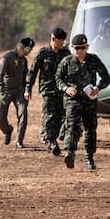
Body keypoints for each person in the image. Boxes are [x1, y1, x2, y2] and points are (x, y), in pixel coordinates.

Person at [55, 34, 110, 171]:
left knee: (90, 129)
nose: (79, 51)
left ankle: (89, 157)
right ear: (72, 48)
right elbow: (58, 78)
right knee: (72, 126)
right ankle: (70, 153)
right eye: (77, 48)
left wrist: (98, 87)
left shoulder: (93, 60)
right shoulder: (67, 61)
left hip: (89, 101)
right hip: (72, 101)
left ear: (87, 47)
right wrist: (66, 88)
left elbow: (106, 77)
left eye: (82, 48)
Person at [26, 27, 69, 156]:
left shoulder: (66, 53)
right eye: (60, 41)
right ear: (53, 39)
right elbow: (32, 72)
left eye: (63, 41)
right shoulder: (42, 53)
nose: (62, 43)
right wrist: (28, 88)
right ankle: (51, 142)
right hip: (47, 90)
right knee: (49, 115)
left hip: (62, 90)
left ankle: (52, 138)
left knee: (61, 115)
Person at [0, 37, 35, 148]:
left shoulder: (24, 61)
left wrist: (27, 90)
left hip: (19, 91)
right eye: (29, 49)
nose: (29, 52)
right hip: (5, 90)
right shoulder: (7, 57)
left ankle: (19, 141)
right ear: (23, 48)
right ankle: (7, 130)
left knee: (23, 115)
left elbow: (26, 77)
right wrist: (1, 89)